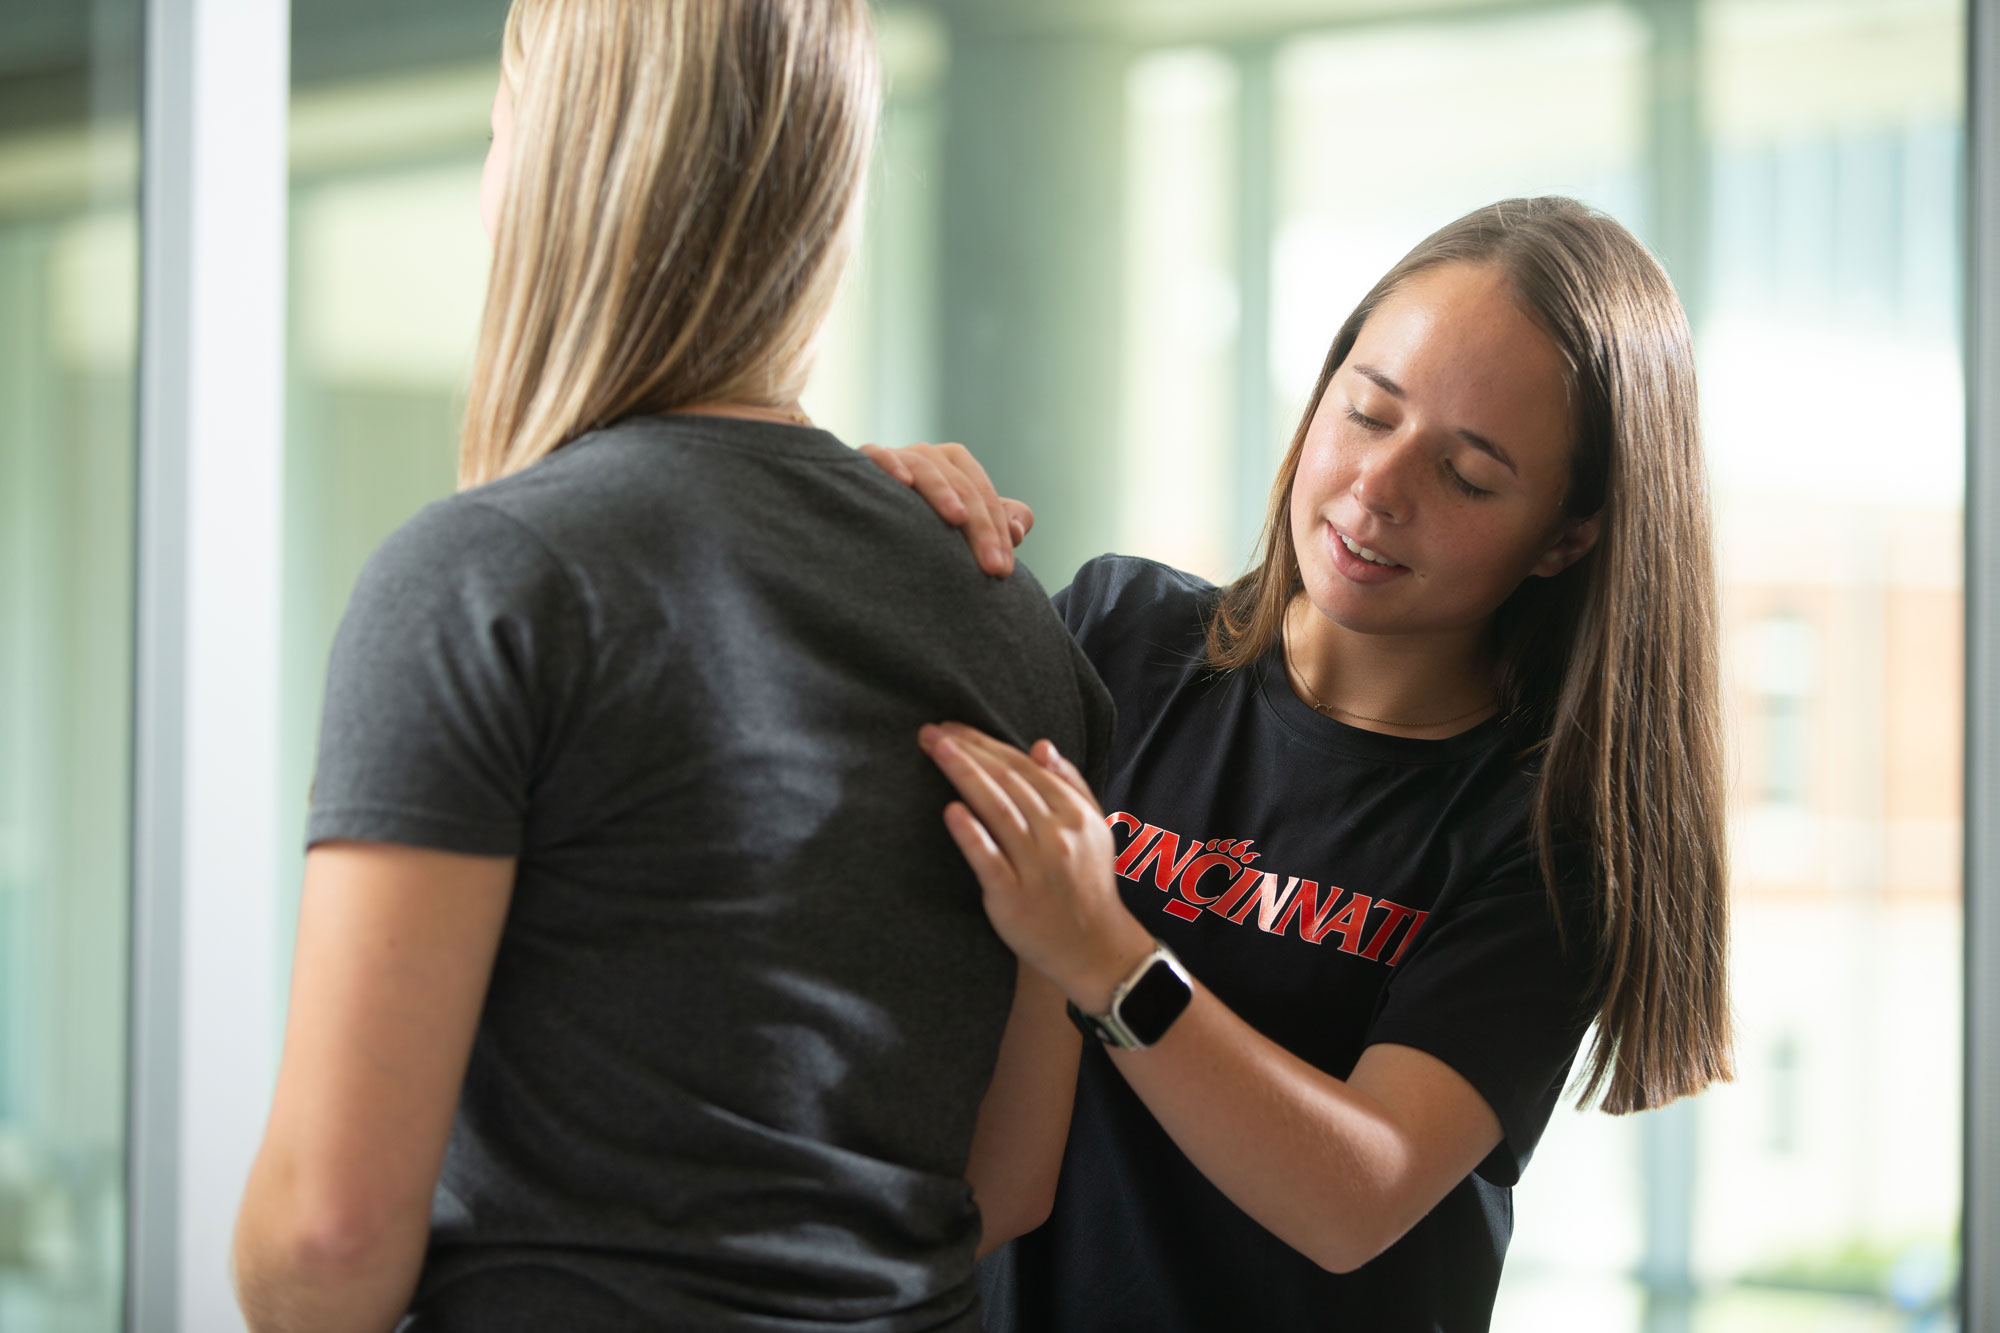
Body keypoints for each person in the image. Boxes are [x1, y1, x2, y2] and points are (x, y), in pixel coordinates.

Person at [230, 2, 1111, 1329]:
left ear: (552, 168)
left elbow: (327, 1240)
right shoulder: (1006, 616)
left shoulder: (484, 580)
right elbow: (1008, 1176)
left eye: (497, 130)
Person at [868, 196, 1733, 1330]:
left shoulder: (1551, 834)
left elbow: (1355, 1191)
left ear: (1568, 537)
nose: (1378, 489)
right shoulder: (1116, 636)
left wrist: (1103, 954)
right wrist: (864, 541)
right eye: (1367, 412)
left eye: (1467, 477)